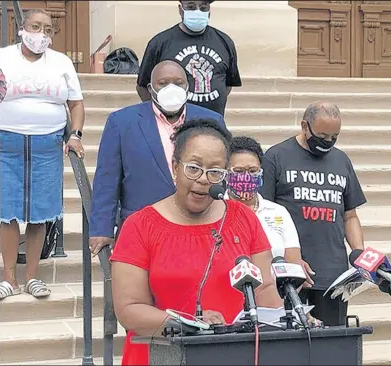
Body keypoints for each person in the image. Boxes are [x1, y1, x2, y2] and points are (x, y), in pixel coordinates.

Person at [110, 119, 284, 365]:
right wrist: (191, 325)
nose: (203, 179)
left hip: (233, 354)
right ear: (174, 167)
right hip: (162, 356)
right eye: (193, 168)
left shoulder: (244, 218)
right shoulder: (139, 226)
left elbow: (264, 289)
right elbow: (129, 309)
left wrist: (286, 319)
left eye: (215, 172)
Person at [89, 60, 226, 255]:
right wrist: (101, 228)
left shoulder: (212, 120)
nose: (171, 88)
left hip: (198, 226)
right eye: (163, 83)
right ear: (150, 88)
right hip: (142, 229)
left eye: (178, 83)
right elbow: (107, 179)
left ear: (188, 87)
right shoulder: (121, 122)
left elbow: (221, 171)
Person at [0, 9, 85, 299]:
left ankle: (32, 276)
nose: (41, 34)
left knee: (39, 213)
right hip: (6, 143)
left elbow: (75, 104)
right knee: (6, 211)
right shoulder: (3, 58)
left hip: (47, 145)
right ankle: (9, 278)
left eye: (47, 30)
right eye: (36, 27)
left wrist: (75, 135)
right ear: (21, 29)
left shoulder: (61, 62)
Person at [260, 102, 367, 326]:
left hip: (334, 274)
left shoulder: (341, 160)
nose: (327, 142)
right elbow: (263, 214)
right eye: (322, 135)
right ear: (304, 126)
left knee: (331, 346)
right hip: (291, 274)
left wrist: (359, 253)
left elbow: (350, 216)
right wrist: (289, 258)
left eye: (334, 136)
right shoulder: (276, 157)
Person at [226, 136, 315, 284]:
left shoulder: (278, 212)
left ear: (261, 172)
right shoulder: (214, 210)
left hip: (274, 301)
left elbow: (294, 264)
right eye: (239, 171)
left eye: (253, 170)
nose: (246, 177)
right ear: (226, 173)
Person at [136, 0, 241, 116]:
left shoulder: (224, 42)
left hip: (214, 123)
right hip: (174, 125)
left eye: (203, 7)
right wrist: (161, 116)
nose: (198, 11)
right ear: (181, 10)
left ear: (209, 11)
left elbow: (227, 84)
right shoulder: (160, 43)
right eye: (191, 7)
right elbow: (143, 87)